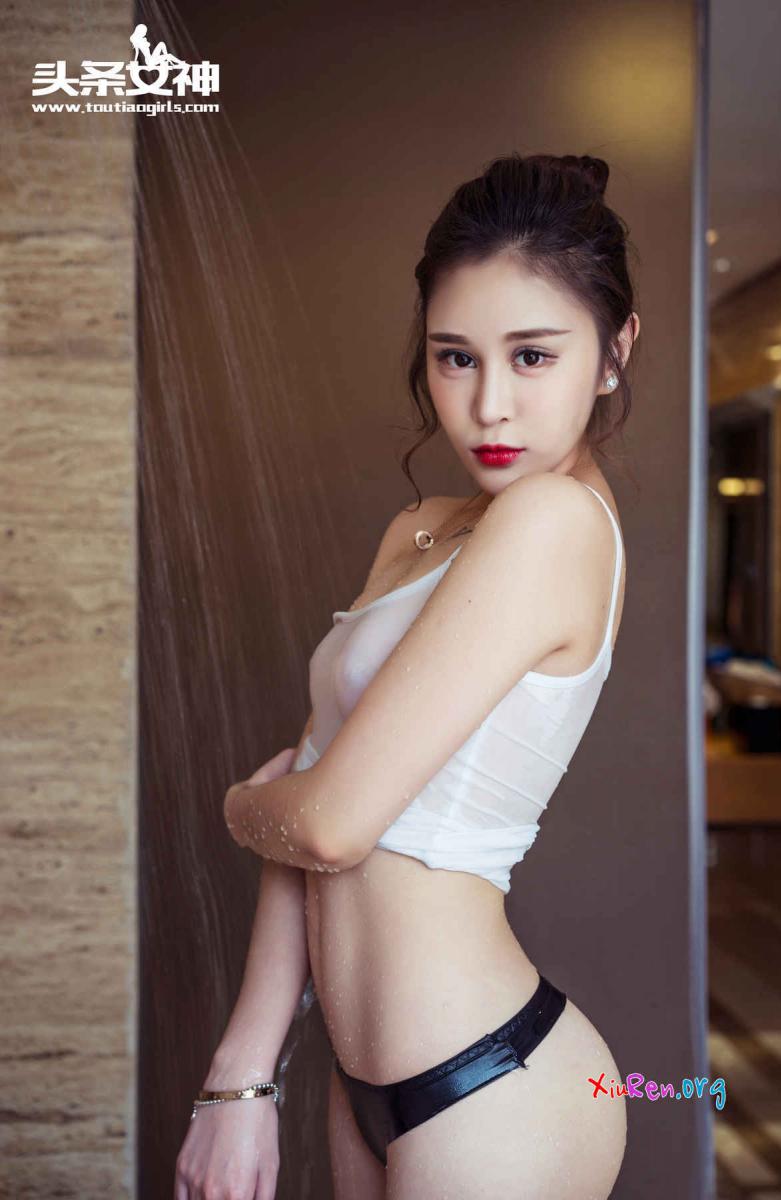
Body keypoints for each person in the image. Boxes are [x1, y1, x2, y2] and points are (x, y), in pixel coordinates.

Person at [175, 151, 640, 1200]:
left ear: (613, 354)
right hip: (365, 1084)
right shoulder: (420, 530)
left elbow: (327, 825)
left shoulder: (554, 520)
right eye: (453, 358)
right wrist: (240, 1080)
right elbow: (312, 802)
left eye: (532, 356)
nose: (487, 407)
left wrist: (240, 802)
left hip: (494, 1086)